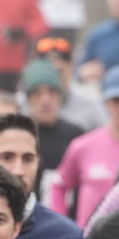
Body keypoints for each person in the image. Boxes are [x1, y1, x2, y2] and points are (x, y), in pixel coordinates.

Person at [48, 64, 119, 228]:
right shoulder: (83, 146)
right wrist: (62, 227)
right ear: (106, 102)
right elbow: (59, 186)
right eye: (116, 101)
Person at [20, 59, 82, 196]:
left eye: (52, 93)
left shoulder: (76, 136)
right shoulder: (19, 135)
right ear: (28, 99)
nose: (45, 100)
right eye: (37, 94)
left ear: (60, 97)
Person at [31, 35, 104, 132]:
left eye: (59, 71)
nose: (53, 78)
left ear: (71, 67)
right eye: (48, 71)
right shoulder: (22, 103)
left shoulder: (90, 103)